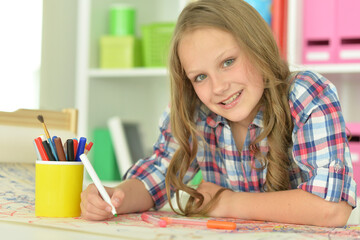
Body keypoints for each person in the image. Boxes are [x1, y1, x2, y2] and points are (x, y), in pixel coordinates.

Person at [80, 0, 357, 227]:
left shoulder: (307, 94)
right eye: (200, 77)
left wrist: (226, 202)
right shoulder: (194, 110)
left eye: (228, 62)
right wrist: (116, 196)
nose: (219, 87)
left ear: (258, 48)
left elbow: (331, 209)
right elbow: (159, 172)